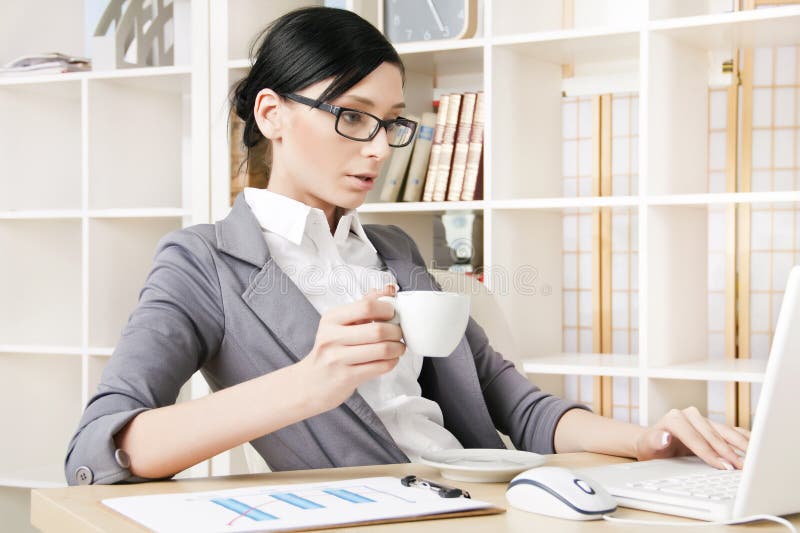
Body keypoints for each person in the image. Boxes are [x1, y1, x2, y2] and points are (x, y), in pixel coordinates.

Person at [65, 6, 749, 486]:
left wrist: (650, 441)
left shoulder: (393, 249)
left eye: (390, 124)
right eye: (351, 117)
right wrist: (308, 383)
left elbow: (517, 405)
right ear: (271, 114)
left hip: (485, 500)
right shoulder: (205, 262)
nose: (375, 150)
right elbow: (100, 448)